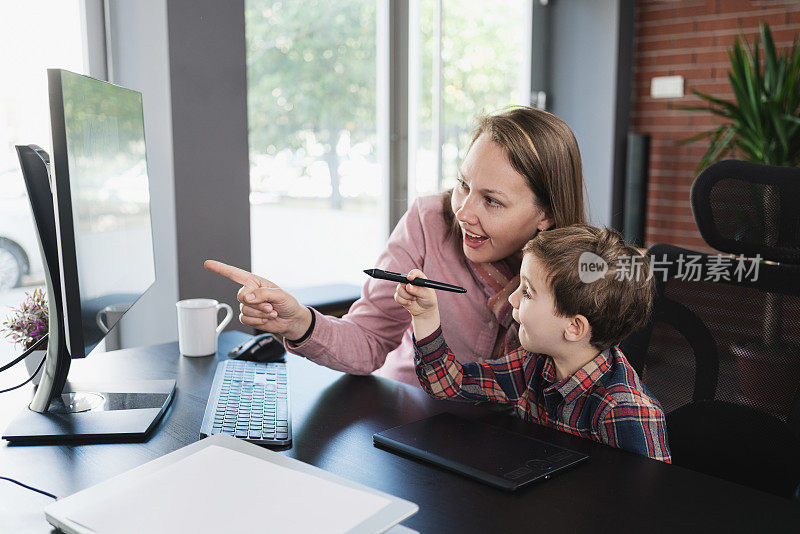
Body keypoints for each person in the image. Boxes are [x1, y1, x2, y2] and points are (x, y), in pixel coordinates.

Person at [205, 106, 586, 386]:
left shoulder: (581, 274)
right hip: (409, 412)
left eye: (492, 201)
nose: (464, 212)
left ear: (546, 215)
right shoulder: (428, 221)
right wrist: (299, 323)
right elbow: (369, 339)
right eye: (463, 185)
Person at [395, 225, 671, 462]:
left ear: (574, 327)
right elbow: (449, 384)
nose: (512, 300)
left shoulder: (626, 411)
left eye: (527, 292)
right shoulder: (532, 365)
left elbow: (646, 506)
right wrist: (425, 315)